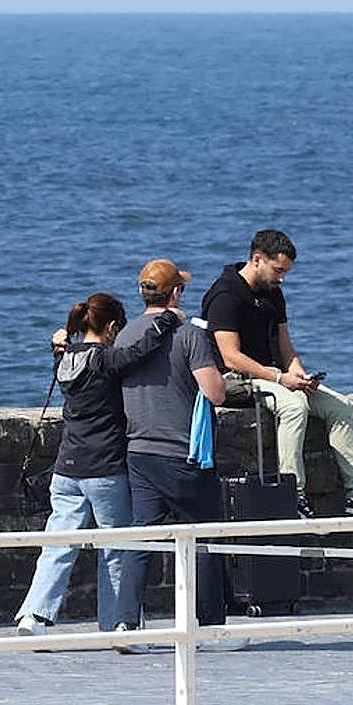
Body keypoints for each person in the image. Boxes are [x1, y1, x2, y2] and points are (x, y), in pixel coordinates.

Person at [201, 229, 353, 519]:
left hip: (273, 376)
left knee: (339, 406)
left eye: (286, 272)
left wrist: (300, 377)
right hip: (235, 379)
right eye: (278, 270)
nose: (282, 278)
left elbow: (286, 349)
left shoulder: (273, 295)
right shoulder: (225, 295)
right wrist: (280, 380)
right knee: (294, 406)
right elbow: (231, 356)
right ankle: (294, 495)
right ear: (257, 259)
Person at [15, 294, 179, 638]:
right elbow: (138, 352)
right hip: (105, 468)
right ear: (111, 327)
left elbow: (68, 356)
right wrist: (165, 321)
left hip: (66, 469)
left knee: (57, 546)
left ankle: (34, 616)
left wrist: (57, 346)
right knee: (117, 549)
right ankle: (119, 625)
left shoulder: (64, 361)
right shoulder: (106, 358)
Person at [111, 259, 244, 653]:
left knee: (142, 538)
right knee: (204, 537)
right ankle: (209, 626)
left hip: (139, 451)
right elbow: (215, 392)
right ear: (175, 294)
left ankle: (126, 625)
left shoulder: (125, 336)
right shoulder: (189, 336)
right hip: (183, 453)